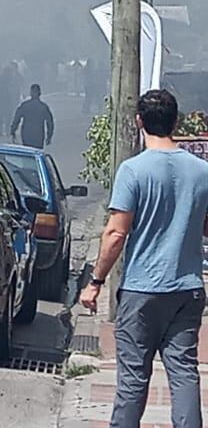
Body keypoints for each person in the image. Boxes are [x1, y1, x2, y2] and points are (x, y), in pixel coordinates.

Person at [81, 89, 208, 428]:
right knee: (184, 374)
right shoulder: (201, 171)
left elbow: (116, 233)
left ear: (139, 122)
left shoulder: (133, 171)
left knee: (133, 381)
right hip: (187, 288)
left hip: (142, 290)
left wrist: (95, 282)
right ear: (176, 122)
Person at [10, 83, 55, 149]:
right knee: (37, 152)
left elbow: (16, 119)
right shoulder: (43, 107)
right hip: (38, 134)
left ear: (30, 93)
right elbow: (50, 123)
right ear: (40, 93)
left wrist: (13, 131)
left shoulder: (24, 105)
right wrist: (49, 136)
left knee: (28, 152)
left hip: (26, 134)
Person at [0, 63, 20, 136]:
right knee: (6, 116)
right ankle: (5, 131)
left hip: (5, 100)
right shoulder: (8, 79)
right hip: (6, 99)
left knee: (4, 116)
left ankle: (3, 131)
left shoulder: (1, 79)